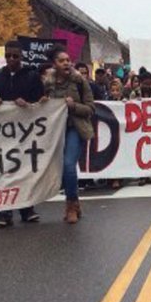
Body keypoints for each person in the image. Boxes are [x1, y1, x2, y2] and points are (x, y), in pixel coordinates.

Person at [0, 40, 44, 227]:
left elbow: (41, 103)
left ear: (21, 56)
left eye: (15, 56)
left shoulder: (32, 76)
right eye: (8, 56)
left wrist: (27, 104)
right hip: (3, 133)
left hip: (26, 132)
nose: (11, 59)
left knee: (25, 170)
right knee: (5, 171)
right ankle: (4, 212)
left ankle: (27, 209)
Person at [43, 46, 95, 224]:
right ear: (54, 64)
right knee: (60, 168)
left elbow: (90, 108)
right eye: (61, 60)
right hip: (54, 131)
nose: (66, 63)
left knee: (68, 165)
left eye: (67, 60)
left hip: (74, 128)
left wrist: (74, 106)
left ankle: (71, 204)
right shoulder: (47, 84)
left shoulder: (79, 82)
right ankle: (75, 200)